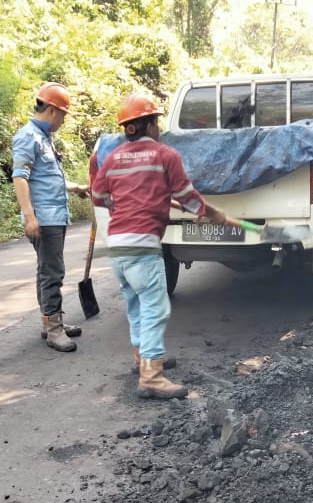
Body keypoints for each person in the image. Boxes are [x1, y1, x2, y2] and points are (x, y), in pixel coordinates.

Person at [91, 94, 235, 400]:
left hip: (117, 246)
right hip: (143, 246)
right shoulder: (165, 155)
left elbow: (98, 197)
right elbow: (188, 196)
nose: (159, 127)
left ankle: (141, 358)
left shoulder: (114, 158)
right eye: (156, 121)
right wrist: (213, 214)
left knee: (135, 305)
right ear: (148, 125)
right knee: (155, 309)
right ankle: (152, 377)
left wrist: (126, 205)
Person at [11, 82, 89, 353]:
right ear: (53, 110)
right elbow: (20, 177)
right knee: (52, 272)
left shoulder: (45, 138)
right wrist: (30, 217)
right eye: (64, 115)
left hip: (54, 214)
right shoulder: (28, 136)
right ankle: (54, 329)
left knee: (46, 270)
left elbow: (45, 178)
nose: (64, 121)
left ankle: (50, 322)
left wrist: (75, 187)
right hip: (44, 217)